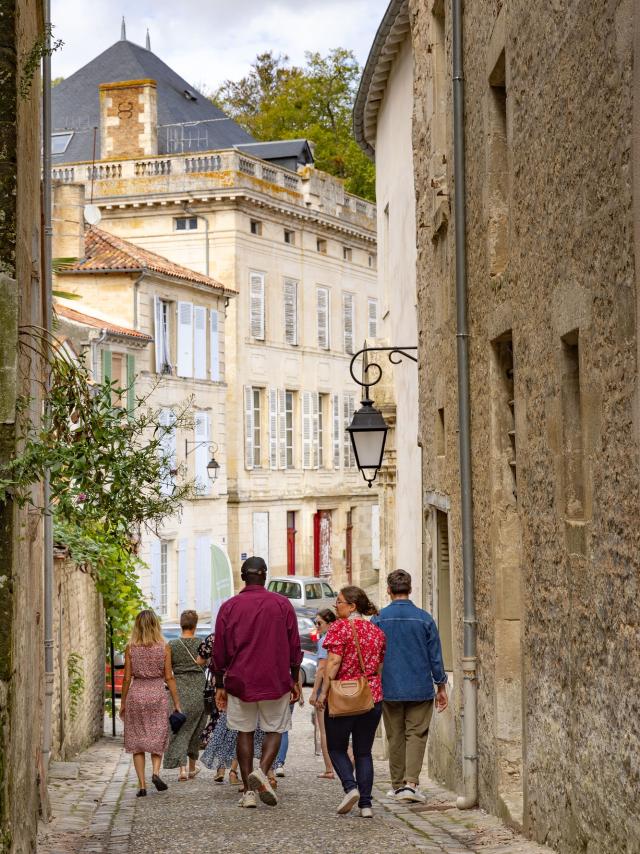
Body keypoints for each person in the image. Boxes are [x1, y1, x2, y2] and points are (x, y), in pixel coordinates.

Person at [213, 556, 302, 809]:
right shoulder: (282, 604)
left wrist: (220, 683)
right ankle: (262, 772)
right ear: (265, 576)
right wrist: (294, 678)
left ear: (243, 576)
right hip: (275, 678)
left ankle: (249, 792)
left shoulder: (229, 607)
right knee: (274, 728)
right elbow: (294, 645)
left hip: (241, 680)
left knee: (245, 731)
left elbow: (220, 649)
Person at [371, 569, 448, 803]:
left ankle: (397, 785)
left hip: (390, 686)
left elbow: (374, 656)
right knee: (416, 734)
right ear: (410, 589)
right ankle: (411, 784)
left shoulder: (379, 619)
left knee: (395, 735)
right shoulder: (424, 618)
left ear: (388, 590)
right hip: (419, 686)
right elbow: (435, 656)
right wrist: (441, 686)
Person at [317, 587, 386, 819]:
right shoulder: (376, 631)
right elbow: (378, 667)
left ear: (352, 606)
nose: (336, 606)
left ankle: (350, 787)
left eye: (339, 602)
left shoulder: (339, 627)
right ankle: (366, 805)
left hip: (342, 698)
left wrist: (323, 693)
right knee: (364, 752)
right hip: (371, 697)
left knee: (336, 747)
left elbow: (333, 663)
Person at [120, 610, 181, 797]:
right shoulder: (164, 647)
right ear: (156, 625)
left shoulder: (130, 648)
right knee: (157, 735)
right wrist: (177, 703)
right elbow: (169, 677)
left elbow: (127, 679)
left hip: (137, 695)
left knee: (137, 742)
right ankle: (155, 772)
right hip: (157, 695)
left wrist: (123, 702)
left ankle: (142, 785)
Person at [163, 610, 208, 781]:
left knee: (180, 727)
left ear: (181, 624)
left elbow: (167, 671)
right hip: (199, 688)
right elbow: (208, 663)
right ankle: (191, 768)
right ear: (195, 626)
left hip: (179, 689)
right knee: (196, 729)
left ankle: (181, 770)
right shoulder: (201, 643)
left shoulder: (172, 645)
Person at [309, 608, 337, 779]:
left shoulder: (324, 641)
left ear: (330, 623)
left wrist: (314, 693)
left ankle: (329, 769)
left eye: (319, 623)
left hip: (324, 690)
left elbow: (321, 669)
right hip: (337, 689)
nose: (316, 626)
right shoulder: (339, 639)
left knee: (324, 731)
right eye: (315, 623)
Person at [273, 670, 304, 777]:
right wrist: (300, 693)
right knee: (283, 728)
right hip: (288, 690)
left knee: (269, 727)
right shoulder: (288, 653)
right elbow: (297, 670)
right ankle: (279, 764)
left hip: (270, 688)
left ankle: (268, 764)